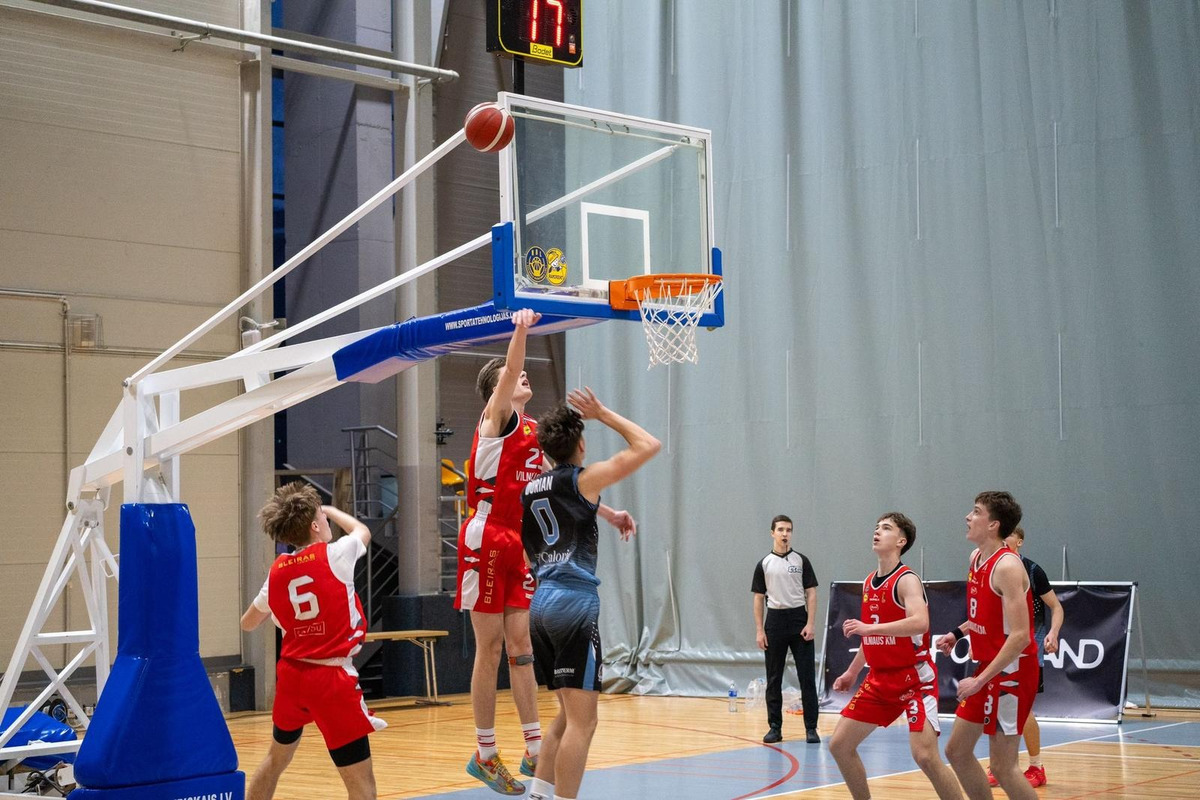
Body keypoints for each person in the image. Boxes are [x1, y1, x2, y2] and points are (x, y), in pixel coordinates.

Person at [454, 309, 636, 794]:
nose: (522, 375)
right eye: (510, 377)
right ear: (495, 391)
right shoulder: (497, 419)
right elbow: (510, 371)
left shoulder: (535, 431)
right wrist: (520, 330)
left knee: (522, 649)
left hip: (523, 541)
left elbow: (563, 490)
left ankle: (535, 748)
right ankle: (485, 752)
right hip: (488, 534)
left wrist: (609, 513)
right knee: (489, 648)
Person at [521, 388, 661, 800]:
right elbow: (648, 444)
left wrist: (607, 512)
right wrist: (602, 413)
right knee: (585, 723)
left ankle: (540, 794)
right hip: (573, 603)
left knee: (566, 715)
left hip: (540, 603)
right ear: (580, 443)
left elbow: (565, 499)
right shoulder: (585, 478)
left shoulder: (529, 489)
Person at [239, 483, 386, 800]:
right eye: (323, 515)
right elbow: (362, 530)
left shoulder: (277, 571)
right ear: (316, 525)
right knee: (362, 785)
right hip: (330, 679)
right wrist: (334, 509)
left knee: (275, 759)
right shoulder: (336, 554)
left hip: (292, 676)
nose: (328, 519)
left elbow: (247, 623)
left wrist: (282, 618)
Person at [829, 513, 962, 799]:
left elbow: (920, 622)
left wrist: (869, 627)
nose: (877, 532)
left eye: (886, 528)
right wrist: (852, 672)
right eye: (876, 527)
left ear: (901, 541)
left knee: (925, 756)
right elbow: (873, 638)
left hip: (915, 680)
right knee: (839, 745)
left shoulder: (907, 580)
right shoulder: (868, 583)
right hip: (880, 680)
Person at [936, 491, 1038, 800]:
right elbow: (985, 616)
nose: (968, 517)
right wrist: (958, 633)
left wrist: (980, 679)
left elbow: (1020, 635)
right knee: (957, 751)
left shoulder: (1007, 566)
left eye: (976, 511)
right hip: (989, 669)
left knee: (1004, 766)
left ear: (993, 524)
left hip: (1012, 674)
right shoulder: (976, 558)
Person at [984, 526, 1063, 789]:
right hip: (997, 654)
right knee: (996, 710)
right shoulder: (991, 568)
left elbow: (1056, 606)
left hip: (1028, 653)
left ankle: (1037, 767)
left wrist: (1053, 632)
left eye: (1009, 536)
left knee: (1022, 711)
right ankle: (1001, 765)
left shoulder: (1031, 570)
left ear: (1020, 541)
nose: (1004, 540)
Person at [751, 514, 820, 744]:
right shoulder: (764, 564)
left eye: (788, 530)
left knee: (807, 677)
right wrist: (760, 631)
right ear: (772, 533)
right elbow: (759, 599)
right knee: (774, 679)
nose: (785, 534)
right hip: (775, 621)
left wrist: (810, 623)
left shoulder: (802, 561)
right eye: (780, 529)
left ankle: (811, 728)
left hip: (799, 620)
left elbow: (811, 593)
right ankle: (775, 727)